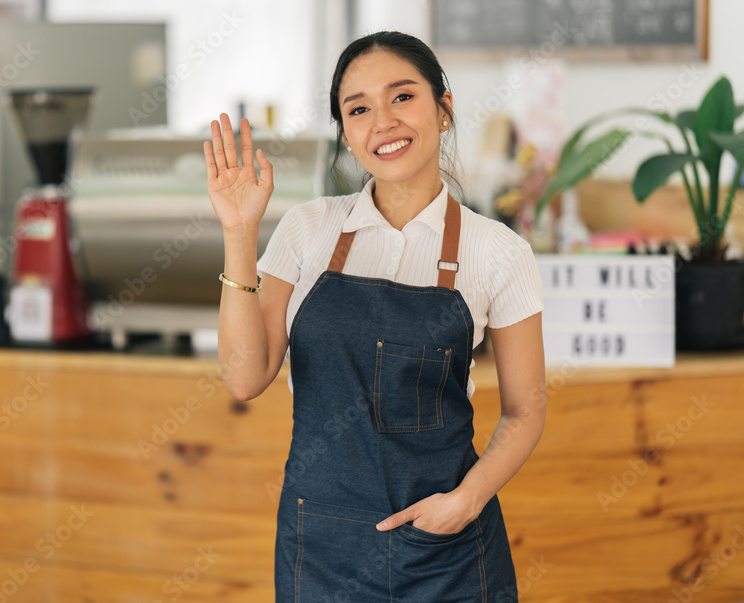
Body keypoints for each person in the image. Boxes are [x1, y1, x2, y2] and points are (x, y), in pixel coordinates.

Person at [203, 30, 546, 601]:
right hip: (322, 550)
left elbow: (525, 409)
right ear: (346, 136)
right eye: (358, 109)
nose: (382, 122)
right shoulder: (307, 229)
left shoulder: (499, 252)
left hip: (447, 553)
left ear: (444, 109)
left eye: (402, 96)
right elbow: (245, 376)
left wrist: (466, 501)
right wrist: (238, 233)